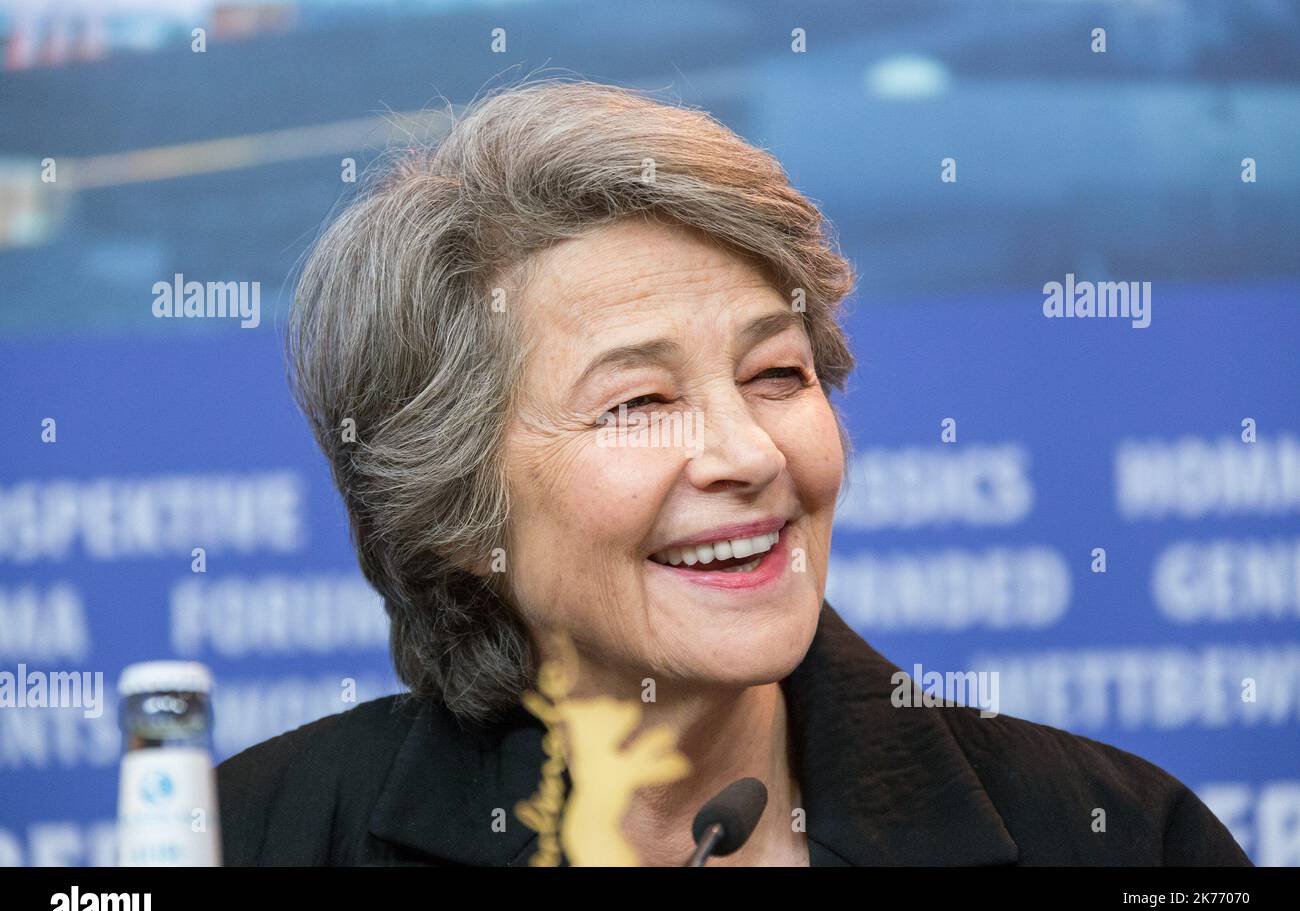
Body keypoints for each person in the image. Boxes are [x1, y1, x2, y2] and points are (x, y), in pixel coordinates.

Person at [216, 80, 1251, 867]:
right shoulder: (257, 837)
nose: (751, 453)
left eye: (775, 374)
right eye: (639, 403)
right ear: (452, 505)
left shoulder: (1116, 837)